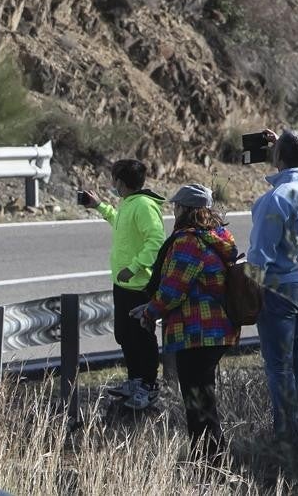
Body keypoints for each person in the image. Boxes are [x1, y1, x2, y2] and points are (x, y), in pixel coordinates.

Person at [132, 184, 240, 460]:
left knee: (198, 405)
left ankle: (210, 464)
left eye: (176, 206)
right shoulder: (218, 235)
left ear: (185, 209)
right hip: (217, 328)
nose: (174, 211)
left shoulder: (188, 242)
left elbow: (173, 289)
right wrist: (150, 307)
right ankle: (211, 461)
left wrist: (149, 312)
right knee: (202, 401)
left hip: (197, 331)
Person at [247, 128, 298, 436]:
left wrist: (250, 294)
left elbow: (259, 256)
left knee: (279, 367)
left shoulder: (274, 199)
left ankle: (286, 434)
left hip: (279, 289)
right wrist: (284, 145)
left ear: (279, 155)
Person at [80, 159, 165, 410]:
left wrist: (135, 267)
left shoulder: (144, 205)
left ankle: (149, 386)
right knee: (125, 335)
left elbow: (156, 240)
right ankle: (135, 380)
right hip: (123, 284)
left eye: (114, 179)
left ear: (120, 181)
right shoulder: (128, 203)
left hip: (139, 285)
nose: (112, 183)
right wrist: (100, 206)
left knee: (142, 337)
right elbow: (121, 224)